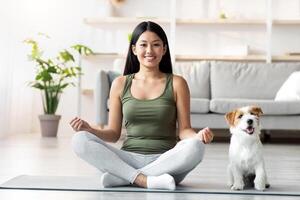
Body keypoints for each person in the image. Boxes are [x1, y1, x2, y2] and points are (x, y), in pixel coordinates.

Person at [70, 21, 214, 190]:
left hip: (167, 161)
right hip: (127, 158)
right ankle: (144, 180)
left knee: (196, 147)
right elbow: (113, 134)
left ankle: (125, 177)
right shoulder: (120, 84)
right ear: (134, 49)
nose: (149, 51)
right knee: (79, 140)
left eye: (156, 45)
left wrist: (198, 137)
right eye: (143, 45)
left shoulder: (177, 83)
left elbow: (184, 131)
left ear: (164, 49)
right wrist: (90, 130)